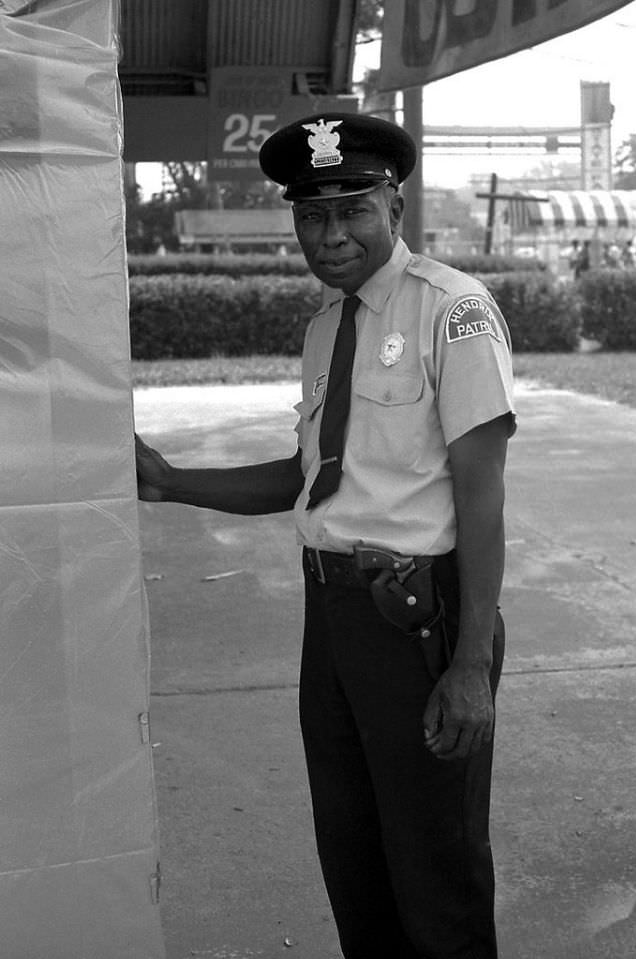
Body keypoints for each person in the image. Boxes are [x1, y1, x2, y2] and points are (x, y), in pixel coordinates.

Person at [136, 112, 517, 959]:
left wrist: (470, 662)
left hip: (425, 618)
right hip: (336, 619)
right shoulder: (324, 327)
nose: (331, 232)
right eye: (312, 214)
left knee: (436, 868)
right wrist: (167, 482)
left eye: (352, 209)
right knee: (355, 858)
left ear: (395, 207)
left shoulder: (453, 311)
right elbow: (311, 476)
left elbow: (481, 494)